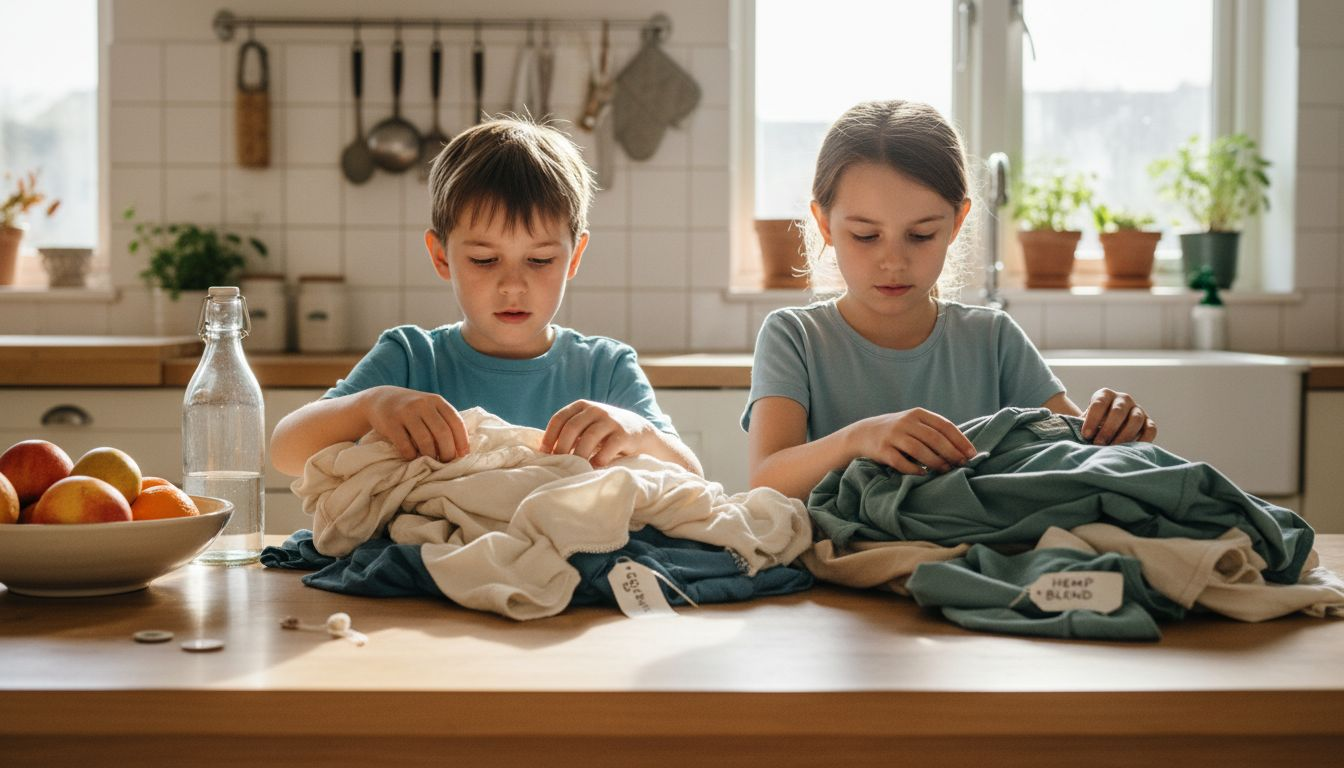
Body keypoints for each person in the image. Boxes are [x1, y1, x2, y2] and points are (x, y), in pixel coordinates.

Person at [743, 100, 1157, 500]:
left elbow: (1078, 453)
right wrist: (862, 437)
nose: (893, 261)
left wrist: (1116, 429)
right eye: (866, 236)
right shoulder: (795, 337)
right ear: (824, 224)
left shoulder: (992, 339)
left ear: (957, 223)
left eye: (921, 235)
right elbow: (766, 481)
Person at [271, 117, 702, 477]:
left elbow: (691, 477)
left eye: (539, 260)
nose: (512, 285)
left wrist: (638, 433)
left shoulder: (605, 369)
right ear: (441, 256)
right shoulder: (410, 359)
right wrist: (370, 405)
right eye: (483, 260)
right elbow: (285, 452)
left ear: (575, 257)